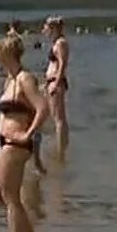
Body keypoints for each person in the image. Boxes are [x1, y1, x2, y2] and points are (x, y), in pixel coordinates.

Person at [0, 34, 47, 232]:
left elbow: (43, 107)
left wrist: (28, 133)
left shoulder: (25, 79)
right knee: (2, 195)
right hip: (6, 141)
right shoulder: (10, 80)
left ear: (7, 53)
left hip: (17, 142)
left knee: (10, 196)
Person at [42, 16, 72, 158]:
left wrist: (56, 82)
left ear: (53, 28)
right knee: (55, 117)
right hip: (52, 81)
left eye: (46, 28)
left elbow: (62, 64)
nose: (44, 31)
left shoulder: (60, 43)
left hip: (56, 81)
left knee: (59, 118)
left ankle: (61, 151)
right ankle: (59, 148)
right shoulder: (56, 43)